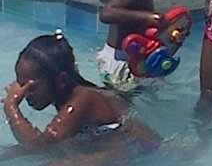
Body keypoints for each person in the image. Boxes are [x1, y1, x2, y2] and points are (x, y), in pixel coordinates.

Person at [2, 31, 160, 160]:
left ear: (61, 80)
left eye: (30, 87)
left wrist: (11, 106)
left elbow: (40, 148)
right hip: (110, 144)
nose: (23, 93)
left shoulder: (84, 100)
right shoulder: (71, 95)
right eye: (20, 83)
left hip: (136, 147)